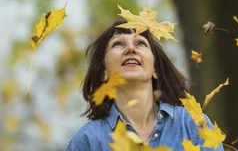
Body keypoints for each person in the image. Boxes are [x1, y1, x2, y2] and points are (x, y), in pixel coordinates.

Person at [66, 19, 224, 150]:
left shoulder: (193, 126)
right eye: (117, 44)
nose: (130, 48)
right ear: (104, 72)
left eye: (140, 43)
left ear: (155, 69)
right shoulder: (86, 142)